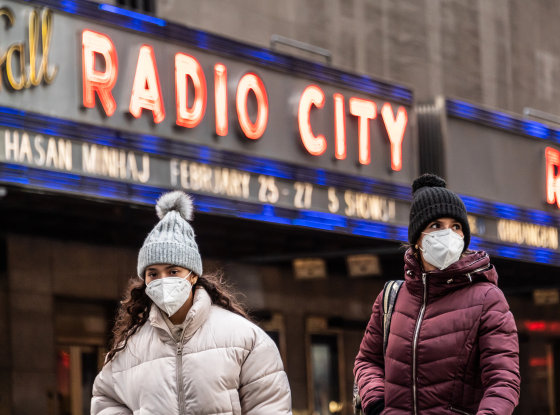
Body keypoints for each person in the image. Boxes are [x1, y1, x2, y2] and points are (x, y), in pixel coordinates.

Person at [91, 191, 292, 414]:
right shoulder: (130, 349)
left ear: (193, 275)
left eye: (173, 271)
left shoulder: (245, 339)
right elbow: (106, 399)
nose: (163, 280)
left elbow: (269, 406)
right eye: (153, 273)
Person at [354, 173, 520, 415]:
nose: (448, 234)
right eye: (436, 226)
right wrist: (378, 405)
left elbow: (504, 381)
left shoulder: (487, 299)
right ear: (417, 239)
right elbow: (367, 361)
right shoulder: (391, 298)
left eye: (456, 226)